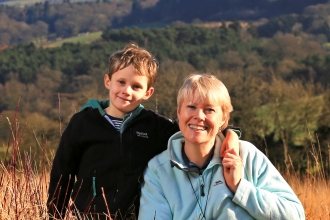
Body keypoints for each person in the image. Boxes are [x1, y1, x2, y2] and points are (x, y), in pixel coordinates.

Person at [47, 44, 241, 219]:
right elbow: (62, 173)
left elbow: (195, 128)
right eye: (121, 82)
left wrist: (230, 134)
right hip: (87, 217)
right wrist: (54, 215)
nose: (127, 91)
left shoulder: (154, 126)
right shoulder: (83, 122)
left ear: (148, 93)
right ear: (108, 81)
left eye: (136, 86)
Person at [138, 73, 305, 220]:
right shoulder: (158, 170)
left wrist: (240, 187)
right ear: (179, 112)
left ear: (223, 119)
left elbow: (295, 215)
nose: (199, 116)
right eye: (191, 107)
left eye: (209, 110)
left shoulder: (246, 156)